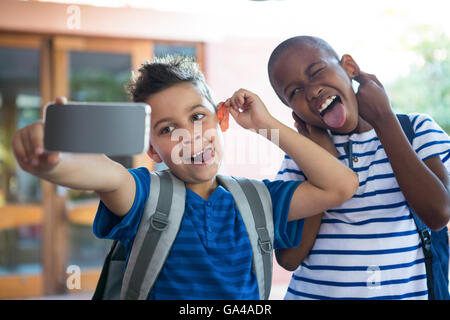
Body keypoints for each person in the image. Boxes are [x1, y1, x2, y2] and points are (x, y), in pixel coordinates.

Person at [12, 55, 358, 300]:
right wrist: (52, 162)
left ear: (221, 118)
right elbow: (106, 175)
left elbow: (341, 185)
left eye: (197, 116)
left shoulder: (260, 201)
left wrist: (265, 126)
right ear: (152, 150)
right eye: (167, 129)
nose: (189, 136)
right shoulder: (144, 195)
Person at [268, 35, 450, 300]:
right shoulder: (301, 155)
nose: (311, 90)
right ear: (293, 111)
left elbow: (437, 214)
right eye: (294, 92)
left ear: (349, 67)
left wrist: (384, 119)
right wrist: (321, 164)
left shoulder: (416, 130)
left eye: (317, 71)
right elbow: (289, 258)